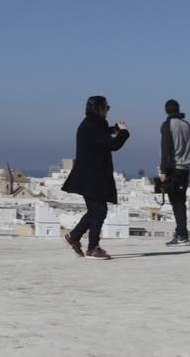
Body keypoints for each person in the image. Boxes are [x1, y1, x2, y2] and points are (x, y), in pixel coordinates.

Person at [61, 95, 130, 259]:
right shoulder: (95, 124)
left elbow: (102, 135)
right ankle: (93, 247)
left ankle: (75, 236)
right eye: (107, 107)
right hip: (92, 176)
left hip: (87, 176)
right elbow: (113, 145)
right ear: (99, 109)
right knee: (99, 210)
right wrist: (124, 133)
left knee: (94, 210)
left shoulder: (89, 124)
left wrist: (114, 129)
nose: (108, 110)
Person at [158, 99, 190, 246]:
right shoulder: (185, 124)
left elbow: (166, 149)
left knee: (177, 203)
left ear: (166, 110)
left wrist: (163, 171)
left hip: (174, 168)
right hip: (185, 168)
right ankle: (180, 233)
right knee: (180, 202)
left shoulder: (167, 125)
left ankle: (182, 236)